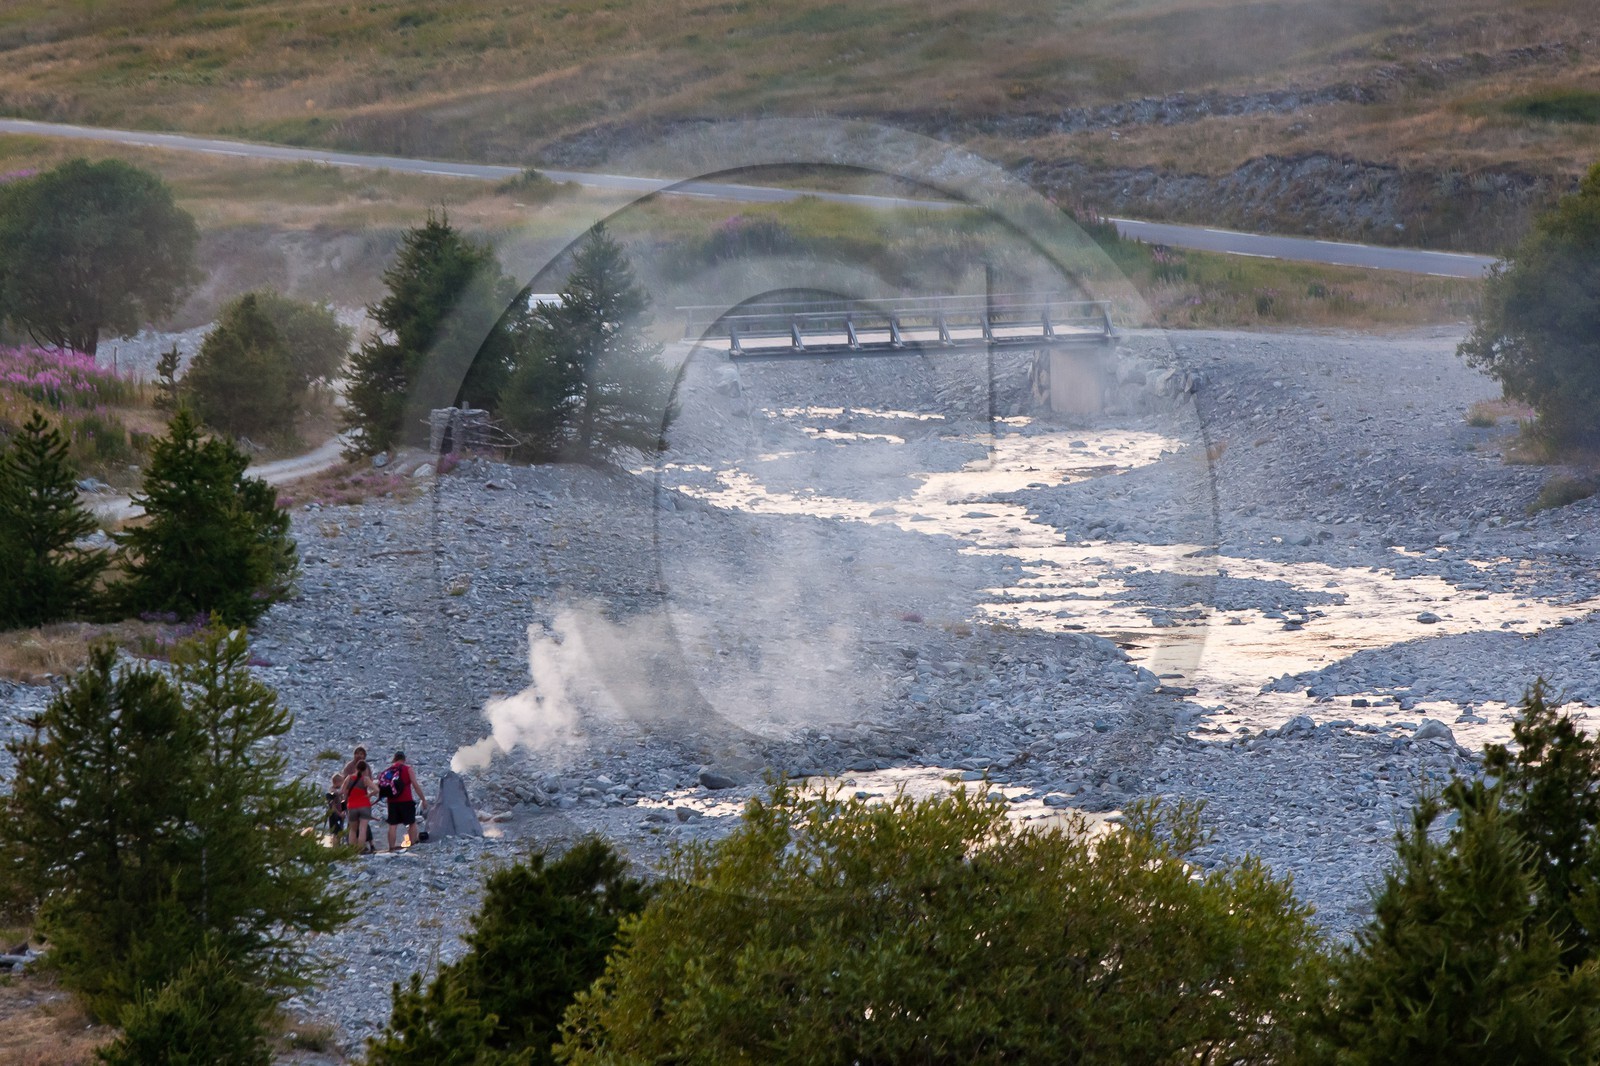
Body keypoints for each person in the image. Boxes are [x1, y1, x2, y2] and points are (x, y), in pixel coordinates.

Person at [382, 750, 427, 852]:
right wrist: (423, 799)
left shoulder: (389, 770)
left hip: (392, 801)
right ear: (404, 759)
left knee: (393, 825)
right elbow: (415, 785)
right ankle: (412, 844)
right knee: (411, 822)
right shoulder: (408, 769)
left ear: (394, 759)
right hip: (406, 800)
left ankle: (391, 847)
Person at [344, 760, 376, 854]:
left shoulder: (349, 778)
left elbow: (343, 791)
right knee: (362, 829)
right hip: (364, 806)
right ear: (365, 769)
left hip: (352, 806)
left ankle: (352, 850)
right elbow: (376, 789)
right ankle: (361, 849)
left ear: (356, 768)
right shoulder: (365, 779)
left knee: (353, 830)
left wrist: (349, 796)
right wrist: (369, 795)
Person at [325, 772, 346, 840]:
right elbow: (332, 806)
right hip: (334, 814)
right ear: (336, 782)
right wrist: (339, 814)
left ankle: (339, 845)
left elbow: (343, 801)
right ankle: (335, 847)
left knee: (340, 831)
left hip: (340, 813)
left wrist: (343, 811)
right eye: (342, 783)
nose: (342, 785)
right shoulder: (331, 792)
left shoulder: (339, 792)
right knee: (335, 832)